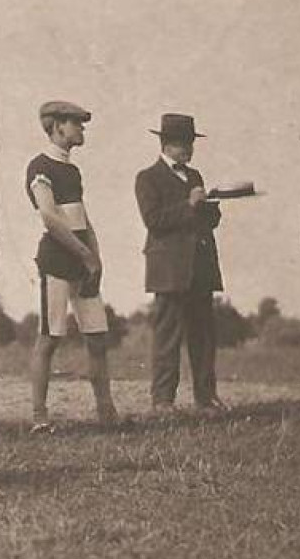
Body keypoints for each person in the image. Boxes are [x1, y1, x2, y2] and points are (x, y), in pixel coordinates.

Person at [26, 100, 119, 433]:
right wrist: (84, 254)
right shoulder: (39, 166)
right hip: (57, 261)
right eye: (76, 123)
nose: (81, 130)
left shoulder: (73, 170)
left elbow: (83, 218)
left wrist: (96, 257)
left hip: (83, 262)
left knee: (97, 337)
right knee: (50, 337)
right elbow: (51, 218)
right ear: (57, 126)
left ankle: (107, 413)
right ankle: (39, 416)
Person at [133, 113, 227, 412]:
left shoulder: (195, 176)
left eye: (189, 142)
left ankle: (206, 397)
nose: (186, 148)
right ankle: (162, 400)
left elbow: (209, 221)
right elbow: (154, 220)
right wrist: (189, 205)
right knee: (168, 336)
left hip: (199, 264)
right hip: (169, 268)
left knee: (203, 336)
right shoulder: (148, 177)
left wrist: (211, 207)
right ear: (163, 142)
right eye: (179, 142)